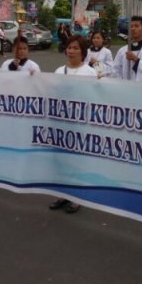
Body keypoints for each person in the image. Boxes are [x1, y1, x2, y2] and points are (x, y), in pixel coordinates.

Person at [50, 36, 97, 214]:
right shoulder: (59, 70)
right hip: (61, 122)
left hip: (80, 123)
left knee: (77, 161)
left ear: (83, 51)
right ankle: (62, 194)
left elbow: (96, 97)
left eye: (76, 48)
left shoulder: (89, 72)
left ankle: (76, 197)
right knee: (61, 160)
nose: (71, 51)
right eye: (69, 47)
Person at [112, 16, 142, 82]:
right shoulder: (122, 50)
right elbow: (115, 71)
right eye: (131, 26)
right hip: (125, 88)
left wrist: (137, 60)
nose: (133, 28)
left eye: (136, 26)